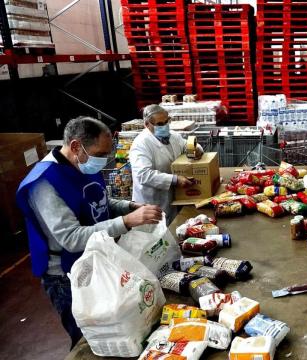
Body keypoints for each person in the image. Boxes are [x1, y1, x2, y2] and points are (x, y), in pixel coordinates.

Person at [16, 116, 163, 349]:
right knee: (89, 337)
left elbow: (98, 200)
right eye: (100, 154)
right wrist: (125, 222)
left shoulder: (81, 163)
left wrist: (128, 207)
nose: (104, 160)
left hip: (97, 257)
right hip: (68, 275)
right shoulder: (44, 183)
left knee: (115, 324)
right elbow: (71, 238)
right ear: (76, 146)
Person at [129, 104, 202, 224]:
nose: (165, 126)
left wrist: (196, 149)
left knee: (173, 233)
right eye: (159, 124)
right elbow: (143, 174)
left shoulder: (173, 136)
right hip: (152, 202)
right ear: (147, 124)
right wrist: (175, 179)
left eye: (167, 121)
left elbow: (186, 145)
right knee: (154, 238)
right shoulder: (141, 144)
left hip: (173, 199)